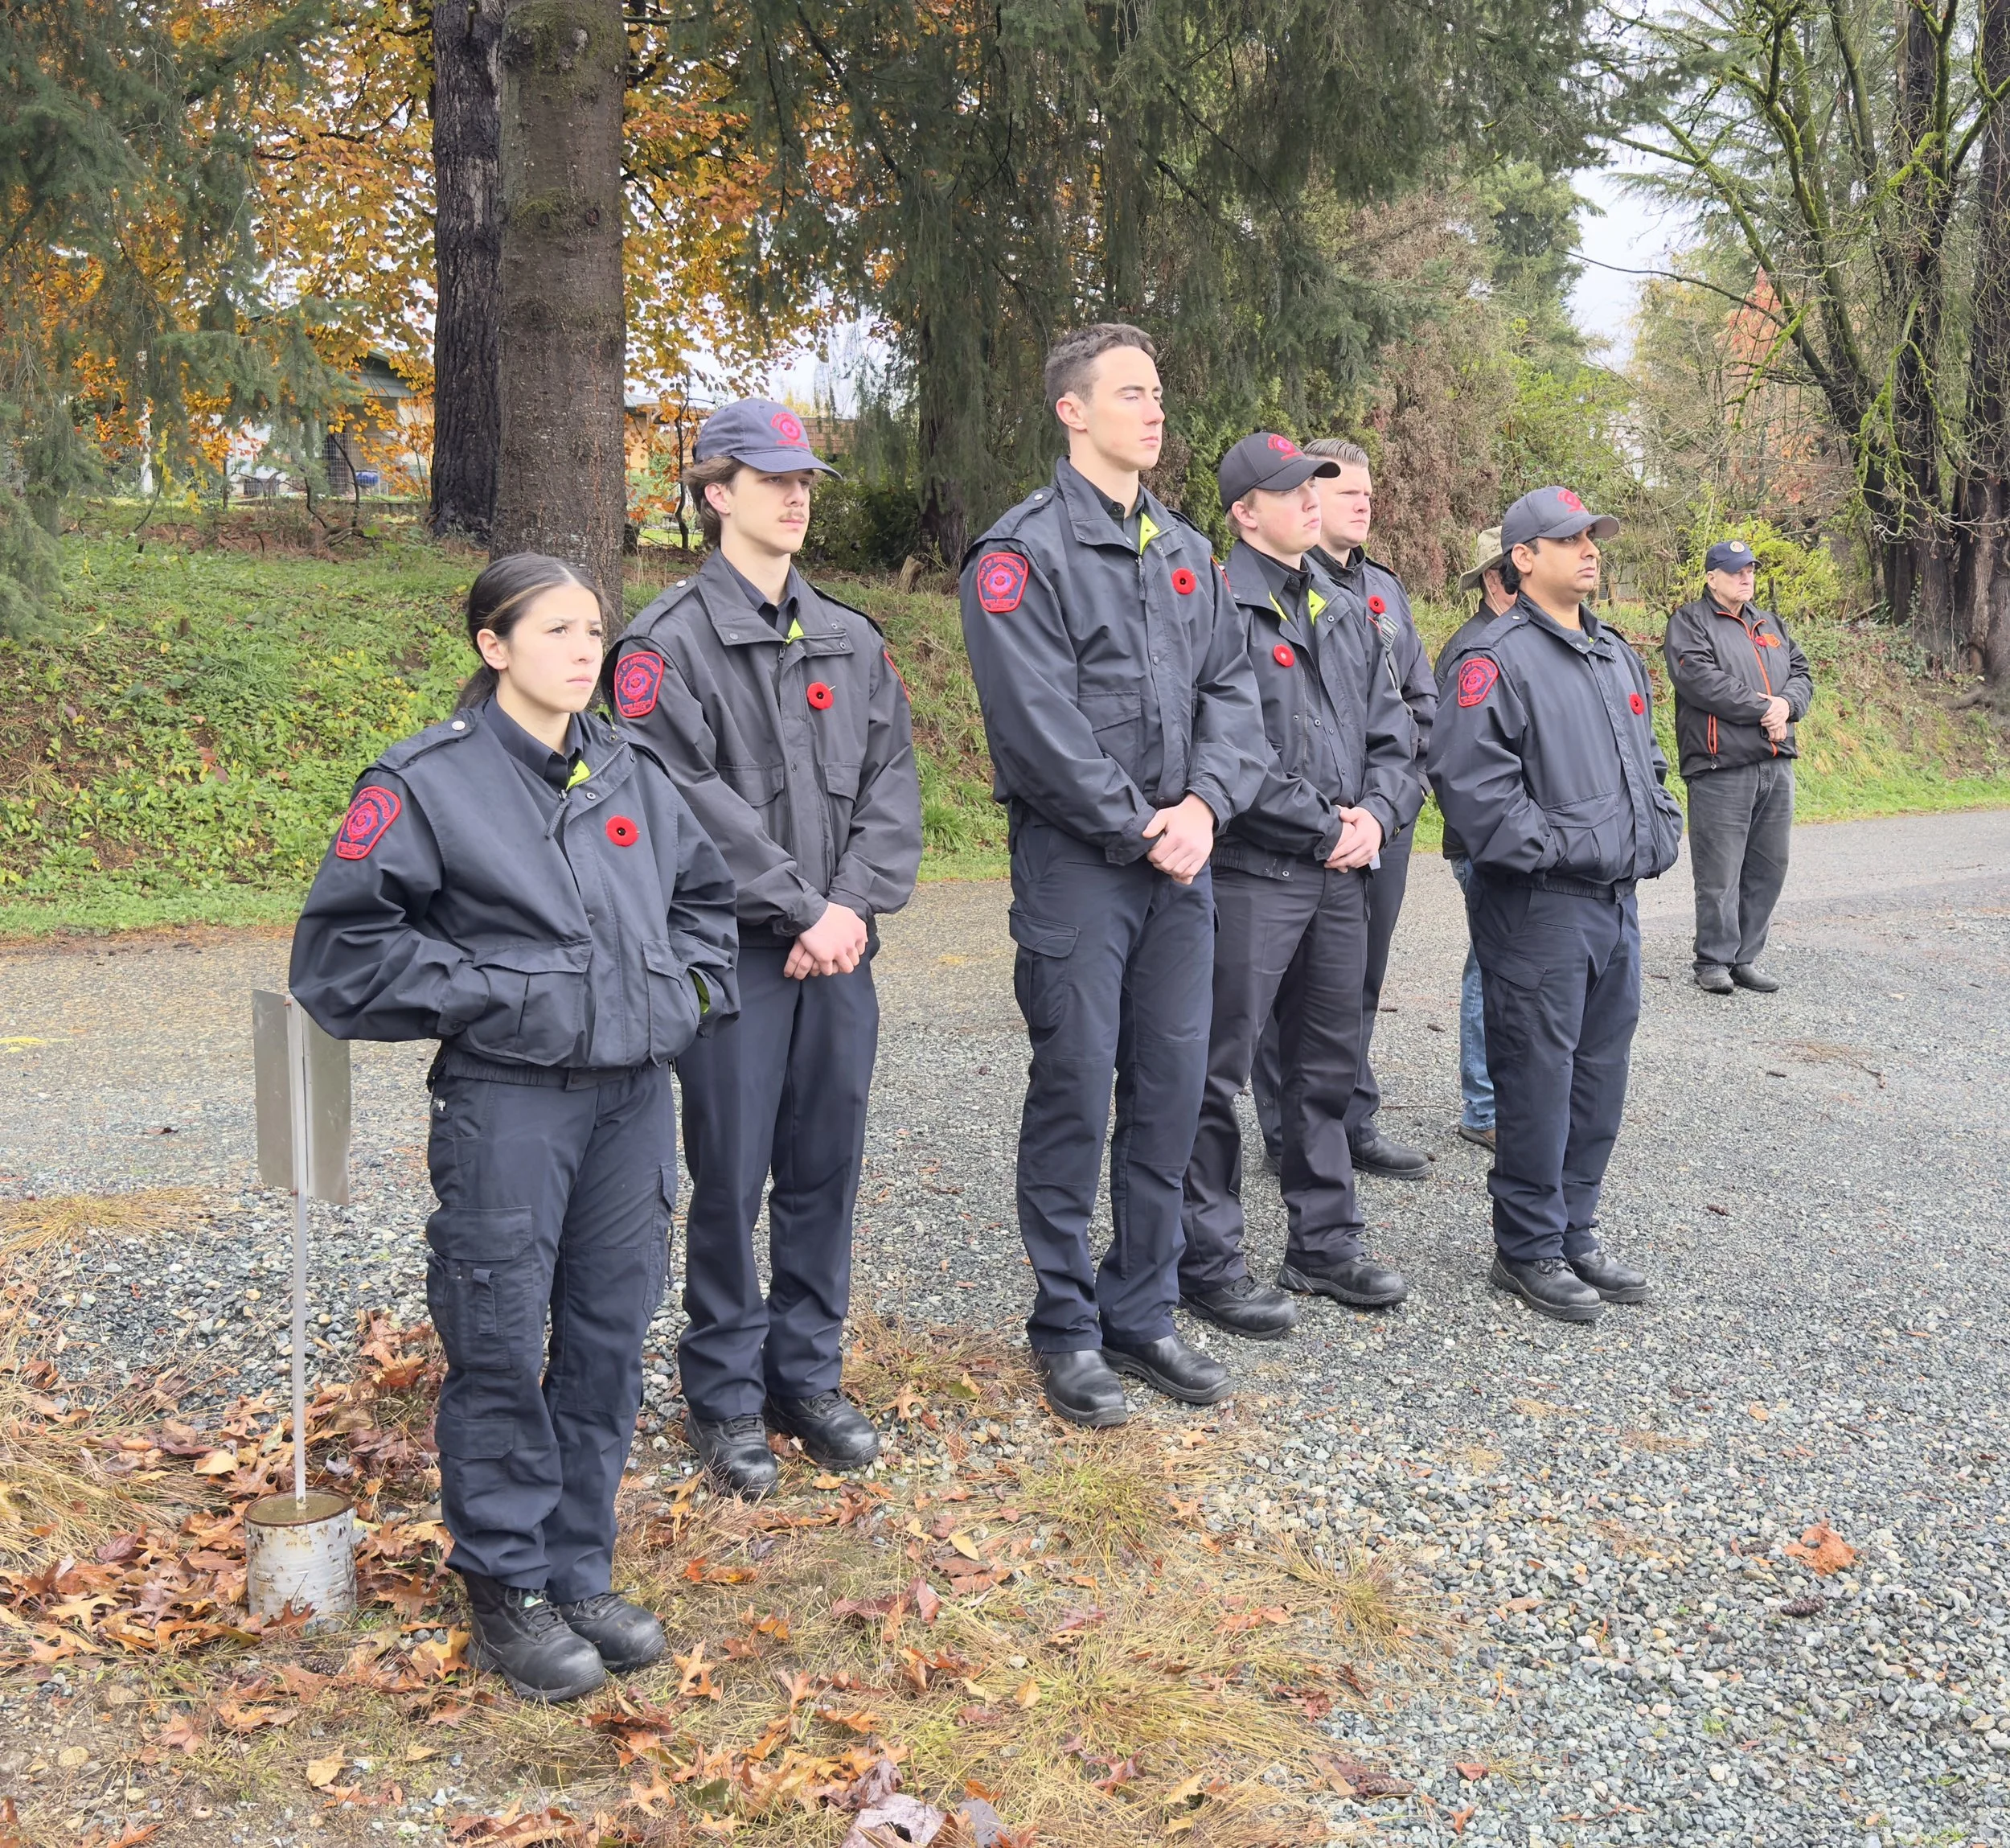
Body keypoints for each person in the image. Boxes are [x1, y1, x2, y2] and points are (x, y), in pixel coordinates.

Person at [290, 553, 739, 1702]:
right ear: (494, 645)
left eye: (594, 628)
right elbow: (340, 958)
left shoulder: (631, 769)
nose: (586, 649)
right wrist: (508, 993)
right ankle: (504, 1587)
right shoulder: (430, 782)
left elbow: (705, 907)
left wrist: (679, 997)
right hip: (511, 1104)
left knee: (604, 1334)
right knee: (497, 1340)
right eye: (555, 629)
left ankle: (577, 1570)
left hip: (633, 1102)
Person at [608, 399, 923, 1498]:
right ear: (715, 494)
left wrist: (847, 908)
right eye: (771, 478)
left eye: (805, 480)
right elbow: (679, 798)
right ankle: (727, 1395)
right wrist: (803, 910)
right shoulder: (664, 645)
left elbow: (892, 782)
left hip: (840, 952)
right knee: (732, 1176)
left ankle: (807, 1375)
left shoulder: (846, 631)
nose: (796, 495)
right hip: (740, 958)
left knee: (825, 1171)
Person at [959, 323, 1264, 1426]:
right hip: (1081, 868)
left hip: (1180, 865)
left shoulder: (1186, 551)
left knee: (1174, 1090)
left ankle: (1141, 1309)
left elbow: (1237, 695)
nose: (1155, 409)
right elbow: (1035, 726)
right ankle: (1067, 1326)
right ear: (1072, 411)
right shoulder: (1021, 554)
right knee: (1078, 1091)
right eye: (1131, 391)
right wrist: (1143, 824)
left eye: (1160, 390)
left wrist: (1204, 806)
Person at [1179, 433, 1419, 1340]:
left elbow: (1395, 735)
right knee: (1215, 1071)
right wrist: (1329, 826)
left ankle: (1323, 1245)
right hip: (1251, 872)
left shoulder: (1344, 605)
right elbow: (1231, 751)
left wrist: (1378, 817)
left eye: (1317, 487)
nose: (1313, 501)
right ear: (1245, 512)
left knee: (1325, 1070)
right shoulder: (1216, 605)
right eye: (1292, 491)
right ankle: (1206, 1259)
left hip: (1338, 875)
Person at [1428, 487, 1684, 1324]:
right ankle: (1527, 1246)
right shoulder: (1491, 660)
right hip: (1538, 906)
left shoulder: (1612, 654)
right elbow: (1476, 796)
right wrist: (1568, 850)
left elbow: (1646, 760)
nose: (1590, 550)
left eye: (1594, 537)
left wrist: (1657, 828)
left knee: (1599, 1074)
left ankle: (1576, 1228)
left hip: (1614, 904)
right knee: (1536, 1077)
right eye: (1569, 539)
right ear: (1522, 557)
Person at [1251, 439, 1438, 1181]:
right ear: (1305, 499)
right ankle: (1282, 1128)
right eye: (1345, 490)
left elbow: (1419, 703)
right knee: (1285, 985)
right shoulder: (1266, 587)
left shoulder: (1384, 592)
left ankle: (1349, 1118)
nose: (1363, 502)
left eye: (1368, 490)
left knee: (1357, 978)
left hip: (1379, 823)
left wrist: (1387, 807)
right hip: (1299, 827)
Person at [1663, 538, 1814, 995]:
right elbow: (1700, 681)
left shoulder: (1770, 623)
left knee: (1769, 866)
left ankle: (1745, 957)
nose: (1745, 577)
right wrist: (1763, 708)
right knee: (1720, 872)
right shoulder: (1690, 622)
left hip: (1775, 762)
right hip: (1720, 764)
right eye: (1734, 570)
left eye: (1749, 569)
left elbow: (1802, 673)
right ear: (1712, 577)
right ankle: (1713, 960)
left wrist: (1787, 705)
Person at [1438, 527, 1516, 1152]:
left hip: (1520, 842)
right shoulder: (1473, 652)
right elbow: (1456, 767)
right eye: (1518, 572)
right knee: (1487, 968)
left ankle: (1500, 1101)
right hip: (1486, 844)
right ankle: (1483, 1107)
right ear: (1495, 580)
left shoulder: (1522, 642)